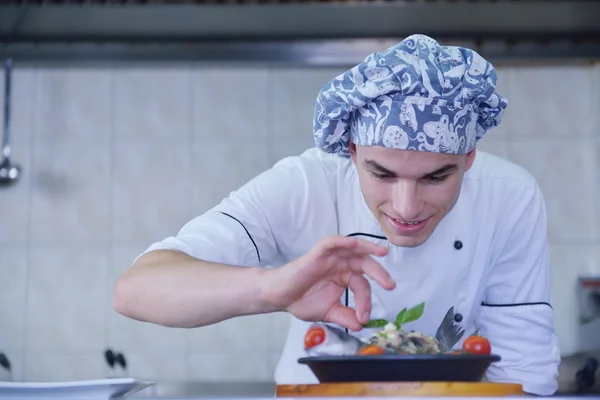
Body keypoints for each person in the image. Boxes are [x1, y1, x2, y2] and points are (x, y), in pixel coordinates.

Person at [113, 34, 560, 396]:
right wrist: (272, 288)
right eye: (381, 173)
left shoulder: (509, 198)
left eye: (435, 177)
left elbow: (525, 376)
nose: (406, 208)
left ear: (468, 158)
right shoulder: (307, 185)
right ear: (351, 152)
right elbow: (137, 290)